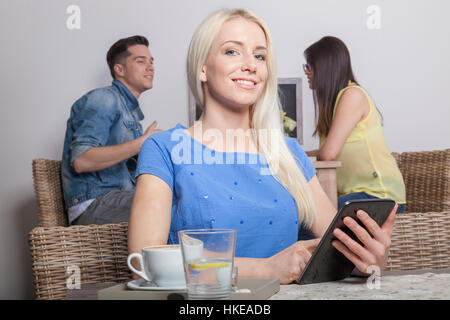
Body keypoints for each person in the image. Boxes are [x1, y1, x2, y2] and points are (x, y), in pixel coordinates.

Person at [128, 9, 397, 284]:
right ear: (203, 68)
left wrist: (371, 258)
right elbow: (144, 261)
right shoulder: (164, 148)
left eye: (260, 56)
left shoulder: (288, 152)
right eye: (232, 52)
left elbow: (340, 249)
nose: (251, 65)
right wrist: (264, 269)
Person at [61, 35, 162, 225]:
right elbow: (82, 160)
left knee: (182, 193)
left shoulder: (130, 115)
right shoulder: (103, 99)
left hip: (117, 200)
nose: (150, 67)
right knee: (169, 202)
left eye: (151, 62)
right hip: (94, 205)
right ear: (119, 69)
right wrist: (140, 143)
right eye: (140, 61)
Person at [303, 36, 406, 213]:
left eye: (309, 66)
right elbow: (326, 152)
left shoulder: (353, 95)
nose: (306, 72)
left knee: (307, 219)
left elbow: (327, 154)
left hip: (379, 197)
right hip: (360, 196)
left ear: (324, 68)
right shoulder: (334, 105)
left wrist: (297, 154)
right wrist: (294, 152)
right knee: (305, 215)